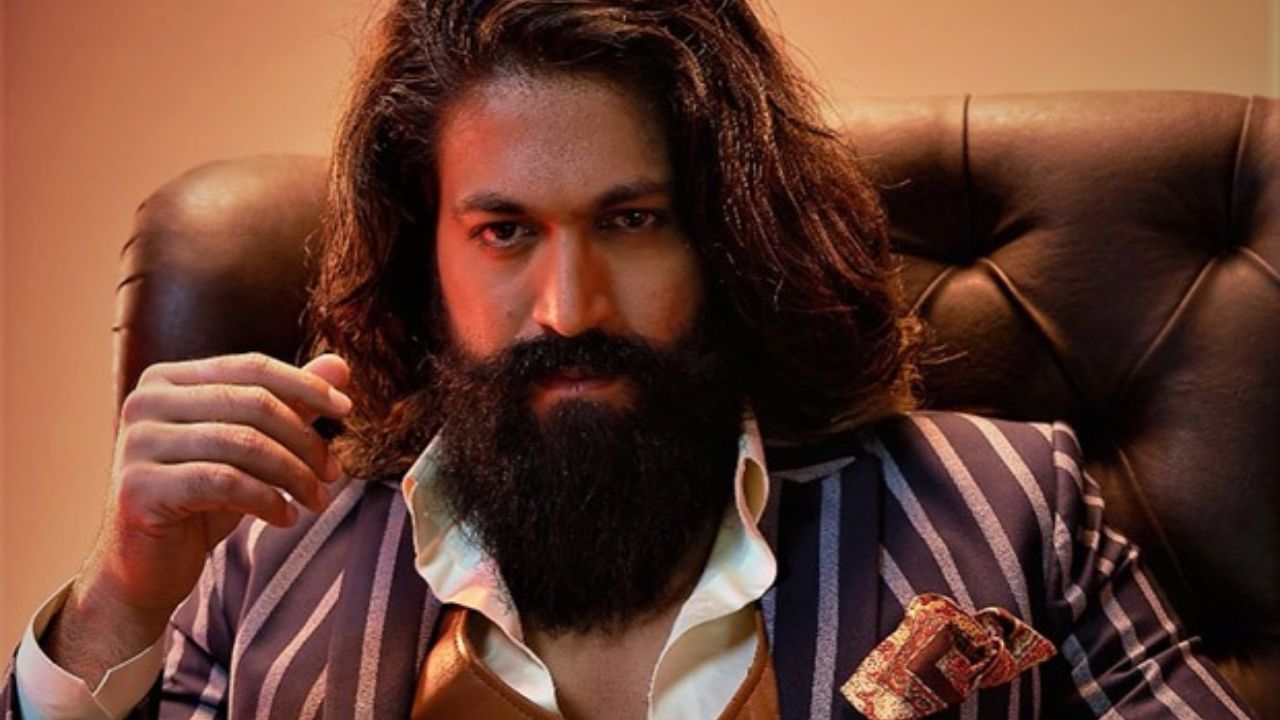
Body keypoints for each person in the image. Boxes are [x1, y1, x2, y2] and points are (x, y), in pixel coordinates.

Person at [1, 1, 1258, 718]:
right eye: (503, 232)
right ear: (423, 256)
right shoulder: (263, 557)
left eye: (631, 220)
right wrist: (120, 601)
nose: (568, 307)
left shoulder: (1012, 508)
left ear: (723, 235)